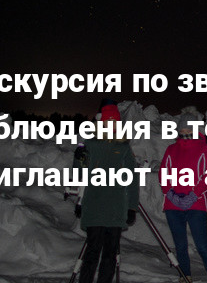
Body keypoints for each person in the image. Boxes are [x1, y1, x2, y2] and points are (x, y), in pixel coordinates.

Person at [76, 99, 139, 283]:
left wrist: (132, 206)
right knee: (92, 252)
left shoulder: (124, 147)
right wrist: (78, 159)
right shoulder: (91, 144)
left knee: (110, 255)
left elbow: (132, 179)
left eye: (114, 122)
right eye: (107, 121)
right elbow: (79, 173)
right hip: (94, 205)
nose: (111, 125)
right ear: (101, 123)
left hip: (116, 208)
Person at [159, 111, 207, 283]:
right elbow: (163, 173)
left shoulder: (204, 148)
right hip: (173, 205)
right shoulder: (171, 149)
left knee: (202, 245)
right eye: (183, 129)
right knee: (180, 245)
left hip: (196, 203)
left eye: (189, 129)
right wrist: (170, 194)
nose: (186, 132)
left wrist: (193, 195)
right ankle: (184, 275)